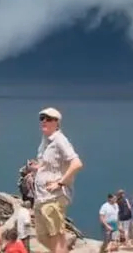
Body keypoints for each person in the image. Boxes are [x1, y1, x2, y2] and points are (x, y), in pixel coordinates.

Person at [31, 107, 83, 253]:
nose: (44, 121)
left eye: (48, 119)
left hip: (53, 197)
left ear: (56, 122)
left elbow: (77, 163)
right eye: (42, 118)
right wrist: (38, 167)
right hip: (42, 197)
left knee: (56, 236)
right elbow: (50, 164)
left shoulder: (60, 140)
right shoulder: (45, 141)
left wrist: (60, 182)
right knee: (42, 236)